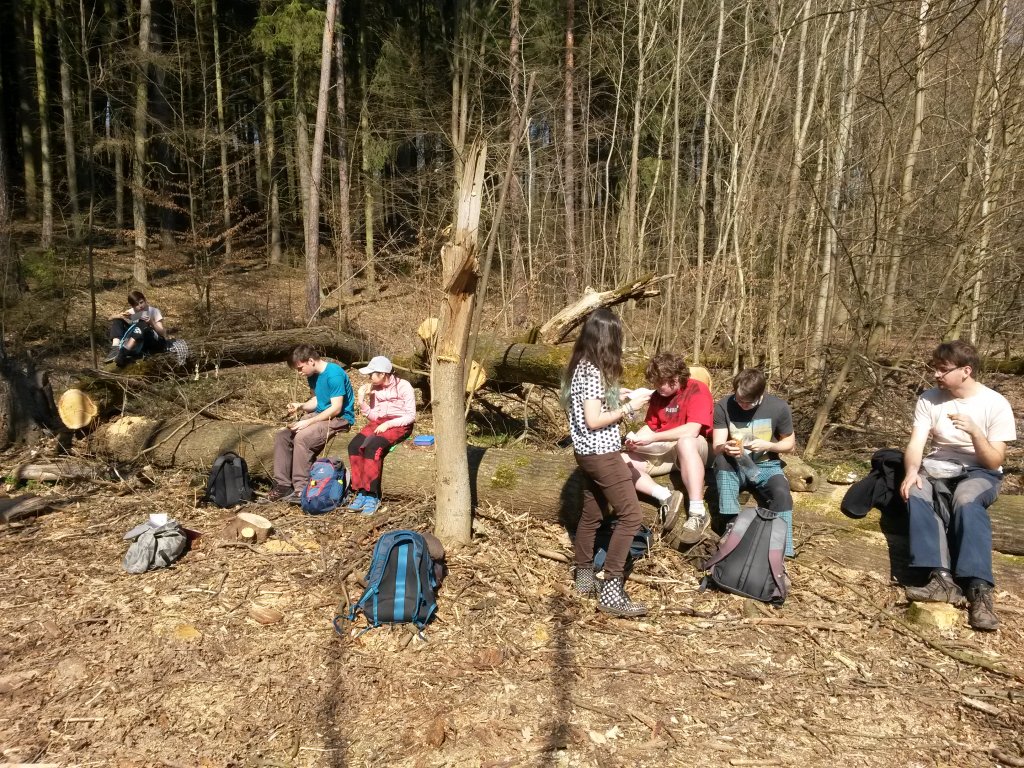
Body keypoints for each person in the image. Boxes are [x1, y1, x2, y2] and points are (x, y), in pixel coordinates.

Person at [899, 340, 1015, 631]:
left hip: (980, 472)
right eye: (935, 369)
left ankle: (979, 589)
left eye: (943, 370)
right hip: (938, 467)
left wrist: (976, 432)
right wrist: (911, 471)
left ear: (966, 371)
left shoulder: (995, 403)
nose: (936, 375)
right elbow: (916, 444)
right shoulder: (929, 399)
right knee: (916, 490)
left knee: (965, 499)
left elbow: (994, 460)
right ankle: (940, 578)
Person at [562, 308, 652, 617]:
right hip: (602, 454)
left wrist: (616, 393)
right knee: (631, 516)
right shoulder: (591, 371)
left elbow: (592, 402)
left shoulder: (583, 366)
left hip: (588, 454)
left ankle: (584, 578)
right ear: (607, 339)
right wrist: (629, 407)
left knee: (592, 515)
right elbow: (593, 419)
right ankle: (613, 588)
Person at [622, 353, 713, 542]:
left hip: (696, 449)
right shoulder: (658, 396)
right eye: (654, 383)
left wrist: (653, 438)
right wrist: (636, 441)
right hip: (664, 450)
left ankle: (698, 512)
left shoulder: (697, 389)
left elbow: (693, 429)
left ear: (675, 378)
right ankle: (665, 496)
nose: (657, 387)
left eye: (660, 383)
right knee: (617, 460)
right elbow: (651, 426)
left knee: (685, 442)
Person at [712, 368, 796, 557]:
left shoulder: (778, 407)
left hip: (767, 465)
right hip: (735, 465)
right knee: (721, 460)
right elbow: (717, 446)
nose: (742, 405)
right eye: (739, 400)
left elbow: (789, 444)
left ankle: (782, 549)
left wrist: (769, 445)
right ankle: (731, 524)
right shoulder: (724, 405)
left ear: (760, 395)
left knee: (782, 492)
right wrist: (726, 447)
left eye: (748, 403)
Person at [266, 345, 355, 503]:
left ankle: (301, 489)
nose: (299, 373)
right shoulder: (312, 375)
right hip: (320, 414)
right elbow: (317, 401)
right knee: (283, 435)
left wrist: (308, 422)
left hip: (339, 418)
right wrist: (300, 406)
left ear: (311, 361)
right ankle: (283, 485)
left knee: (302, 437)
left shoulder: (334, 374)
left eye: (300, 368)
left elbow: (336, 408)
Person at [345, 356, 416, 515]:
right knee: (354, 446)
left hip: (400, 423)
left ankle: (373, 495)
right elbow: (374, 417)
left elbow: (411, 416)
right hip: (380, 422)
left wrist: (389, 424)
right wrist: (361, 400)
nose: (369, 377)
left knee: (373, 447)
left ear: (383, 374)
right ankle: (361, 490)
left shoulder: (404, 386)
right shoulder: (374, 388)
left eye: (372, 374)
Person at [105, 290, 169, 366]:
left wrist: (151, 322)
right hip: (138, 342)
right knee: (118, 320)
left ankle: (124, 352)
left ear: (145, 300)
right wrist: (121, 316)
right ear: (132, 306)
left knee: (142, 323)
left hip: (153, 340)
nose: (140, 306)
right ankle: (115, 348)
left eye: (141, 302)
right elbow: (110, 318)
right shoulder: (132, 312)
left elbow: (162, 333)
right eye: (136, 305)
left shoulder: (154, 311)